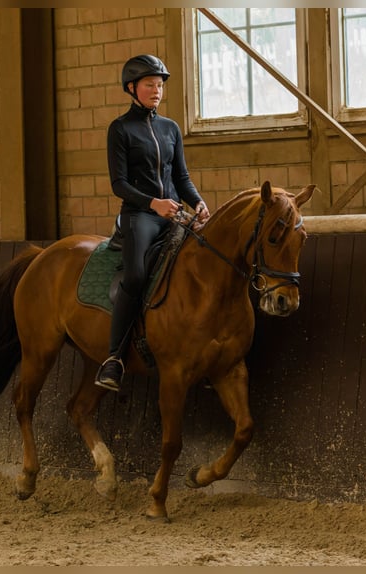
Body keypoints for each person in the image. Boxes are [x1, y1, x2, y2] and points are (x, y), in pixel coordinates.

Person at [95, 54, 210, 392]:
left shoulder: (171, 128)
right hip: (140, 216)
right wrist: (153, 203)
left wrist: (198, 201)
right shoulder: (120, 130)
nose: (156, 90)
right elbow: (119, 184)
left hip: (174, 213)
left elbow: (182, 176)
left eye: (159, 85)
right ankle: (114, 358)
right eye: (149, 84)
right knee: (136, 274)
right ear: (131, 88)